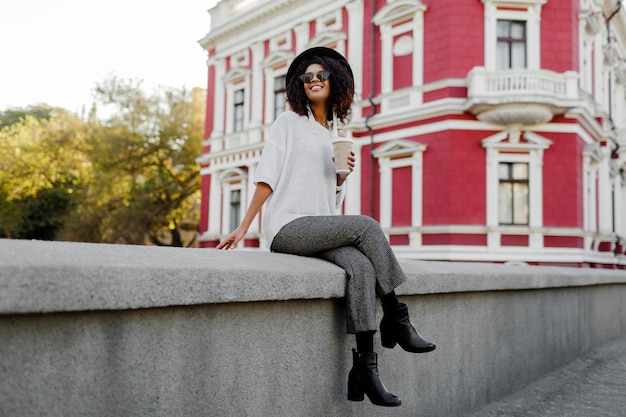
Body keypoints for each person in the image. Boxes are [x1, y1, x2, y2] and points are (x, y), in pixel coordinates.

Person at [217, 47, 436, 407]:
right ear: (299, 86)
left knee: (362, 268)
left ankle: (366, 368)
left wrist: (342, 176)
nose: (314, 80)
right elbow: (267, 176)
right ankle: (397, 317)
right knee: (366, 226)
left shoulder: (334, 132)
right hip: (287, 227)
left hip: (319, 225)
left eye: (321, 75)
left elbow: (332, 203)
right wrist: (244, 227)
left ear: (336, 81)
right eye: (307, 77)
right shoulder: (287, 122)